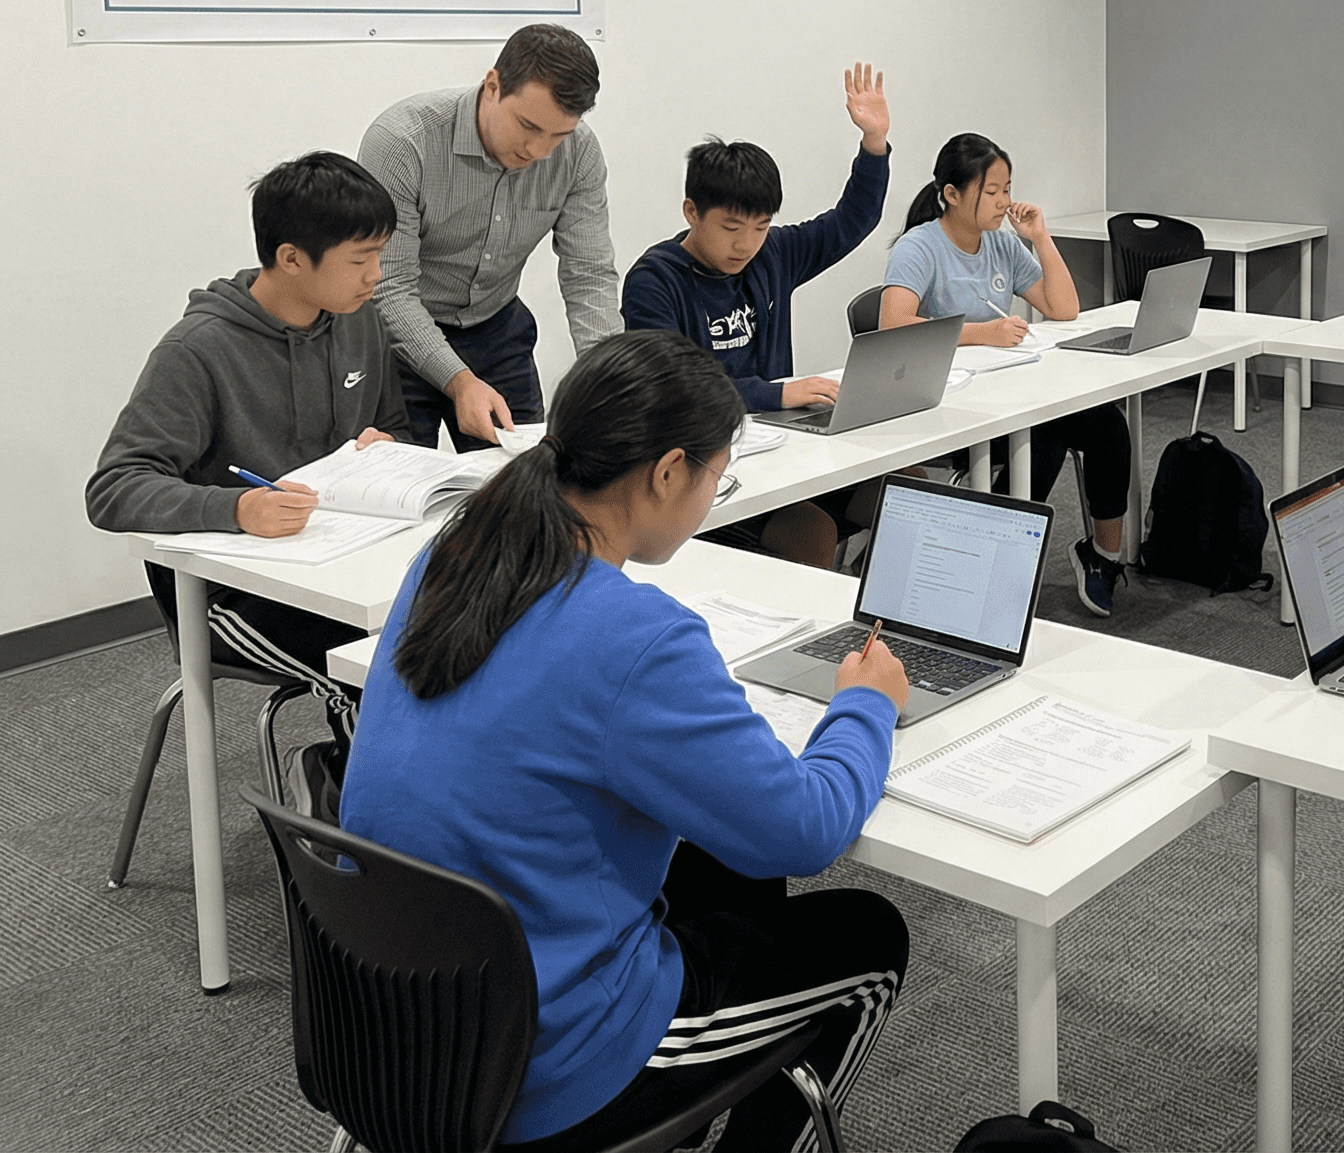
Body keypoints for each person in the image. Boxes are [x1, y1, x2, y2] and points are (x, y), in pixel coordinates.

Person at [341, 330, 911, 1152]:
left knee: (724, 864)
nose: (713, 497)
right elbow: (806, 832)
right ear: (669, 472)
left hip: (398, 1020)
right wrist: (865, 706)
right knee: (869, 938)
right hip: (546, 1061)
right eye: (717, 477)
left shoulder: (455, 553)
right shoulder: (635, 636)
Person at [87, 152, 410, 749]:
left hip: (342, 564)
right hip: (228, 596)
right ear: (291, 258)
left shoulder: (359, 321)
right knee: (381, 675)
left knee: (466, 630)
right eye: (360, 259)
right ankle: (356, 802)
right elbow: (114, 488)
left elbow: (392, 425)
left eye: (380, 255)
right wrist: (236, 509)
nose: (376, 275)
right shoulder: (197, 351)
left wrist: (387, 449)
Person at [622, 64, 893, 567]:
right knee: (810, 531)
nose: (745, 244)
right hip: (701, 466)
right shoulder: (655, 281)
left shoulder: (772, 255)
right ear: (691, 212)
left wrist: (873, 144)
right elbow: (671, 393)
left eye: (760, 226)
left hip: (780, 445)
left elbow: (851, 221)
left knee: (901, 489)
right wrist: (777, 393)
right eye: (731, 228)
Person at [881, 134, 1132, 617]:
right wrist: (982, 333)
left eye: (1007, 189)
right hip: (947, 408)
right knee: (1043, 434)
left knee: (1106, 424)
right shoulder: (920, 247)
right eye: (991, 191)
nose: (1004, 202)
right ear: (952, 194)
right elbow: (893, 325)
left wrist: (1040, 238)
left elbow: (1064, 308)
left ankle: (1102, 556)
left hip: (1008, 395)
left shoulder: (1000, 243)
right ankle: (984, 554)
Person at [360, 23, 620, 450]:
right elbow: (389, 286)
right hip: (396, 336)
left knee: (522, 474)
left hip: (497, 329)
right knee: (405, 477)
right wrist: (459, 381)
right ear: (493, 85)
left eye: (558, 136)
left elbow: (588, 273)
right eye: (528, 126)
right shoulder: (404, 143)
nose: (538, 151)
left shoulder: (579, 153)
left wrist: (609, 376)